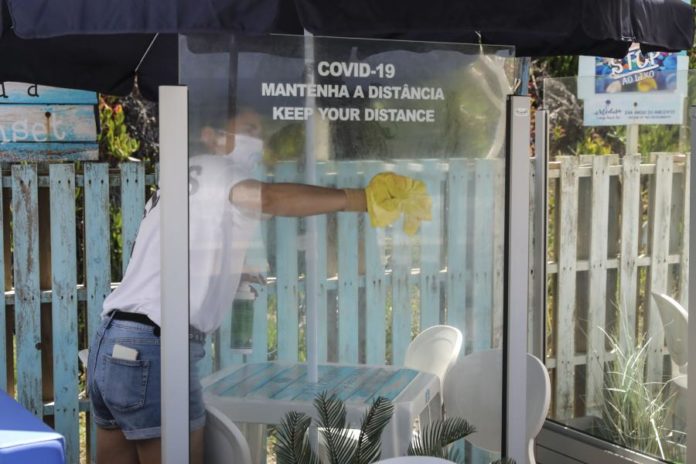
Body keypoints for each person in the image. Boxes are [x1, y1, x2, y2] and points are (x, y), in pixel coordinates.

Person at [86, 108, 431, 464]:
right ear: (211, 136)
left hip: (114, 339)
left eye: (260, 132)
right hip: (159, 346)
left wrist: (228, 274)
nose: (258, 140)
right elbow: (269, 198)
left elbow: (179, 252)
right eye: (249, 129)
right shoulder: (219, 168)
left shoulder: (185, 177)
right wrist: (359, 199)